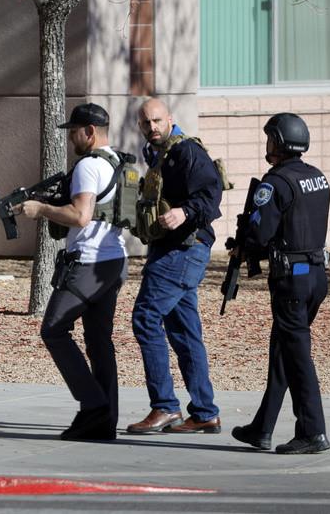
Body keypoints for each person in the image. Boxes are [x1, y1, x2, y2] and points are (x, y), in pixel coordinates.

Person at [15, 103, 128, 441]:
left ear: (89, 132)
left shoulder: (89, 166)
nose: (71, 139)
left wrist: (41, 209)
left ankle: (94, 406)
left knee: (53, 329)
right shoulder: (118, 162)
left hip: (89, 263)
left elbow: (80, 216)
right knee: (98, 340)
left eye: (74, 132)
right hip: (114, 261)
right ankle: (104, 420)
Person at [231, 113, 330, 455]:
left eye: (270, 138)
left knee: (297, 356)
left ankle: (312, 431)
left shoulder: (275, 183)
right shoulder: (317, 178)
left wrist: (246, 239)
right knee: (284, 352)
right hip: (317, 275)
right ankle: (262, 427)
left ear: (280, 141)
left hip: (292, 282)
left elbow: (260, 233)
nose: (267, 145)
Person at [127, 97, 222, 435]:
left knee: (146, 316)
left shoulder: (186, 152)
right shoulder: (157, 154)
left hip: (184, 249)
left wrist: (184, 211)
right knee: (183, 330)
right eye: (145, 123)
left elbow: (211, 195)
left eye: (156, 121)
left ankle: (165, 407)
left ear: (169, 119)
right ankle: (205, 412)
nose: (151, 128)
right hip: (170, 249)